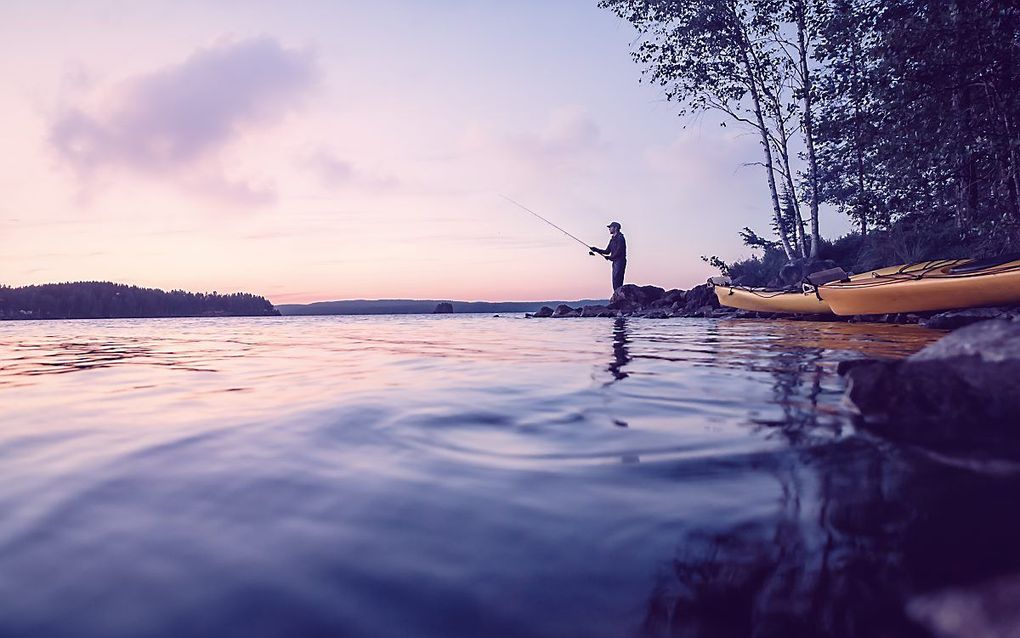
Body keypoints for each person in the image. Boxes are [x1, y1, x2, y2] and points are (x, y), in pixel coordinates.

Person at [590, 222, 627, 292]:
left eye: (610, 227)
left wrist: (611, 257)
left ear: (615, 228)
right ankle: (617, 296)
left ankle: (619, 296)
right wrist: (596, 249)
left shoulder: (620, 238)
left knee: (617, 279)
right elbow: (607, 251)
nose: (609, 229)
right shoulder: (612, 239)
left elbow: (619, 251)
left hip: (620, 261)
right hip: (615, 261)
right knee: (614, 280)